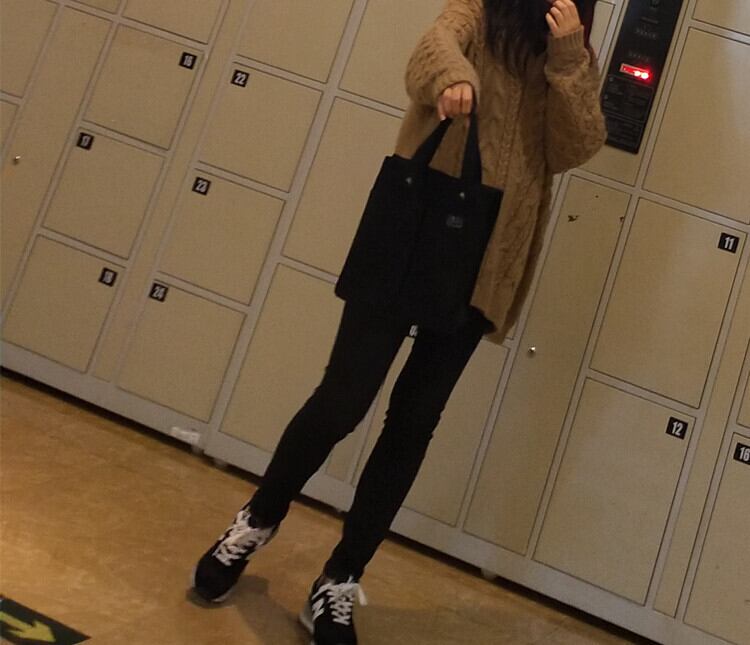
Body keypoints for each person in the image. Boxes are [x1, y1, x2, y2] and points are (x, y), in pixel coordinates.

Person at [190, 1, 607, 643]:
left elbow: (573, 147)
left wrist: (568, 57)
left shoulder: (566, 50)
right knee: (342, 400)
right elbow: (433, 47)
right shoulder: (478, 9)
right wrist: (452, 77)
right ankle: (256, 520)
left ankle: (339, 580)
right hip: (412, 233)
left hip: (486, 262)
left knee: (413, 424)